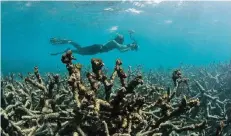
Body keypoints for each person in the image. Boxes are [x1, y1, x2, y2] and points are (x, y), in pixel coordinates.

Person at [50, 34, 138, 56]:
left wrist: (130, 47)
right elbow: (122, 47)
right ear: (119, 39)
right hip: (97, 48)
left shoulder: (115, 44)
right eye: (122, 40)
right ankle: (70, 42)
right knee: (81, 51)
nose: (122, 42)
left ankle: (69, 49)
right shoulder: (114, 42)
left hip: (97, 49)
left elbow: (122, 50)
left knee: (81, 52)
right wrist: (130, 45)